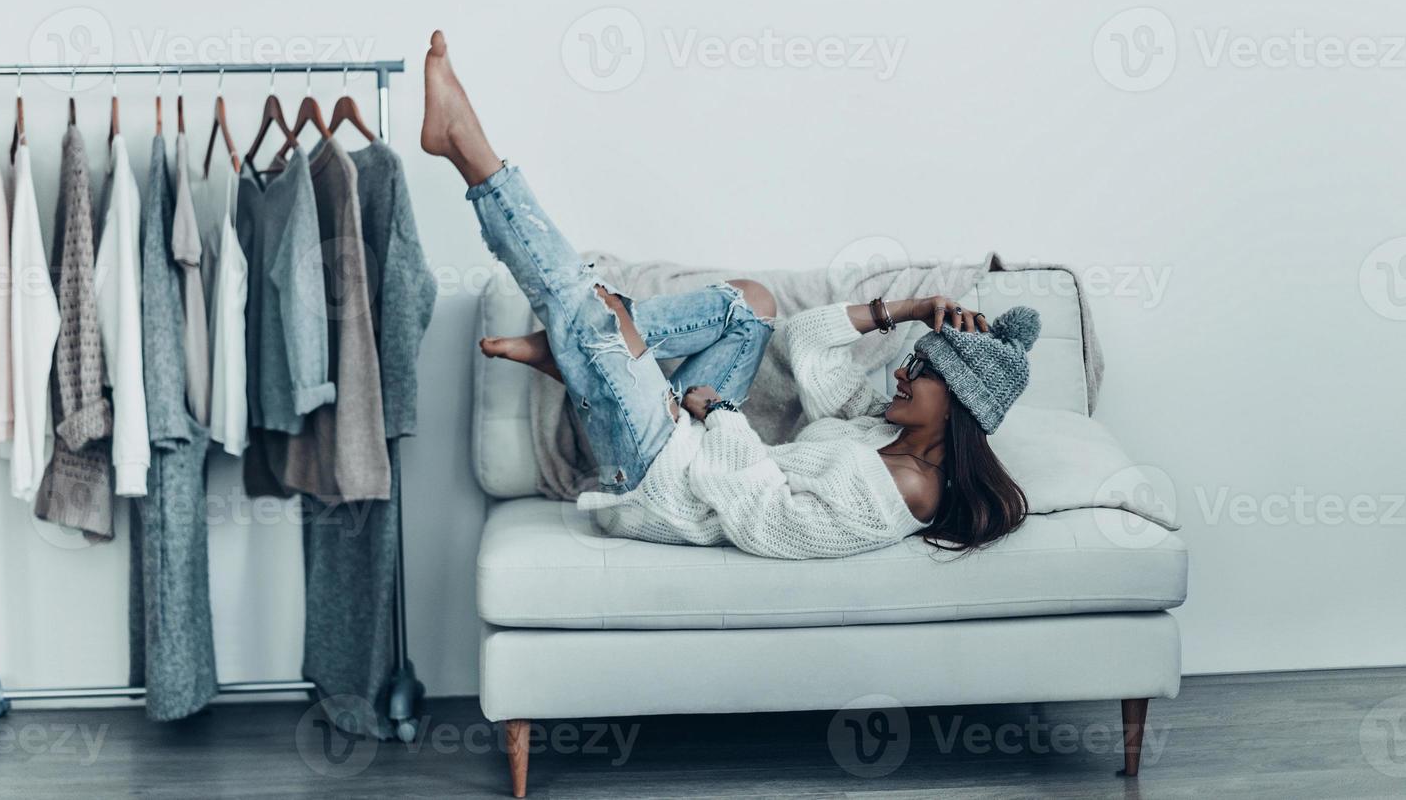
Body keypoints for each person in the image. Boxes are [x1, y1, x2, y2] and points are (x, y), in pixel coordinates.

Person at [420, 31, 1039, 558]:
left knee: (587, 308)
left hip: (659, 485)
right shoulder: (877, 430)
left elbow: (767, 523)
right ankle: (598, 344)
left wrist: (720, 416)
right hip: (688, 441)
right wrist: (907, 307)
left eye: (925, 370)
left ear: (960, 401)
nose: (904, 370)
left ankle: (469, 149)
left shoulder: (906, 489)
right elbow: (807, 343)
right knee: (751, 306)